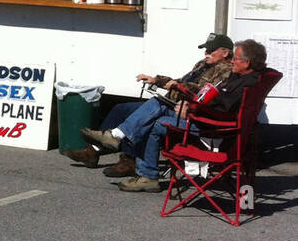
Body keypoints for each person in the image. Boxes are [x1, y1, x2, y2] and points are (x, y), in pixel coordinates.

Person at [110, 39, 267, 192]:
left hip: (211, 130)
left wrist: (191, 110)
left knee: (155, 122)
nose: (232, 61)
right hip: (209, 121)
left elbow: (222, 111)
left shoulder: (246, 85)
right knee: (157, 105)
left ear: (246, 63)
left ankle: (145, 173)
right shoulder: (245, 78)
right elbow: (216, 102)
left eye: (235, 58)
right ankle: (120, 138)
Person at [65, 33, 234, 174]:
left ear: (225, 53)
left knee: (148, 115)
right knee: (121, 108)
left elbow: (204, 92)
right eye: (206, 48)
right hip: (171, 101)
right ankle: (93, 151)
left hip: (183, 109)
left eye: (211, 50)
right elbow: (180, 81)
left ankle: (129, 159)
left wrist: (178, 86)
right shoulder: (202, 64)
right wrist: (157, 80)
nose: (206, 52)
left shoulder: (226, 70)